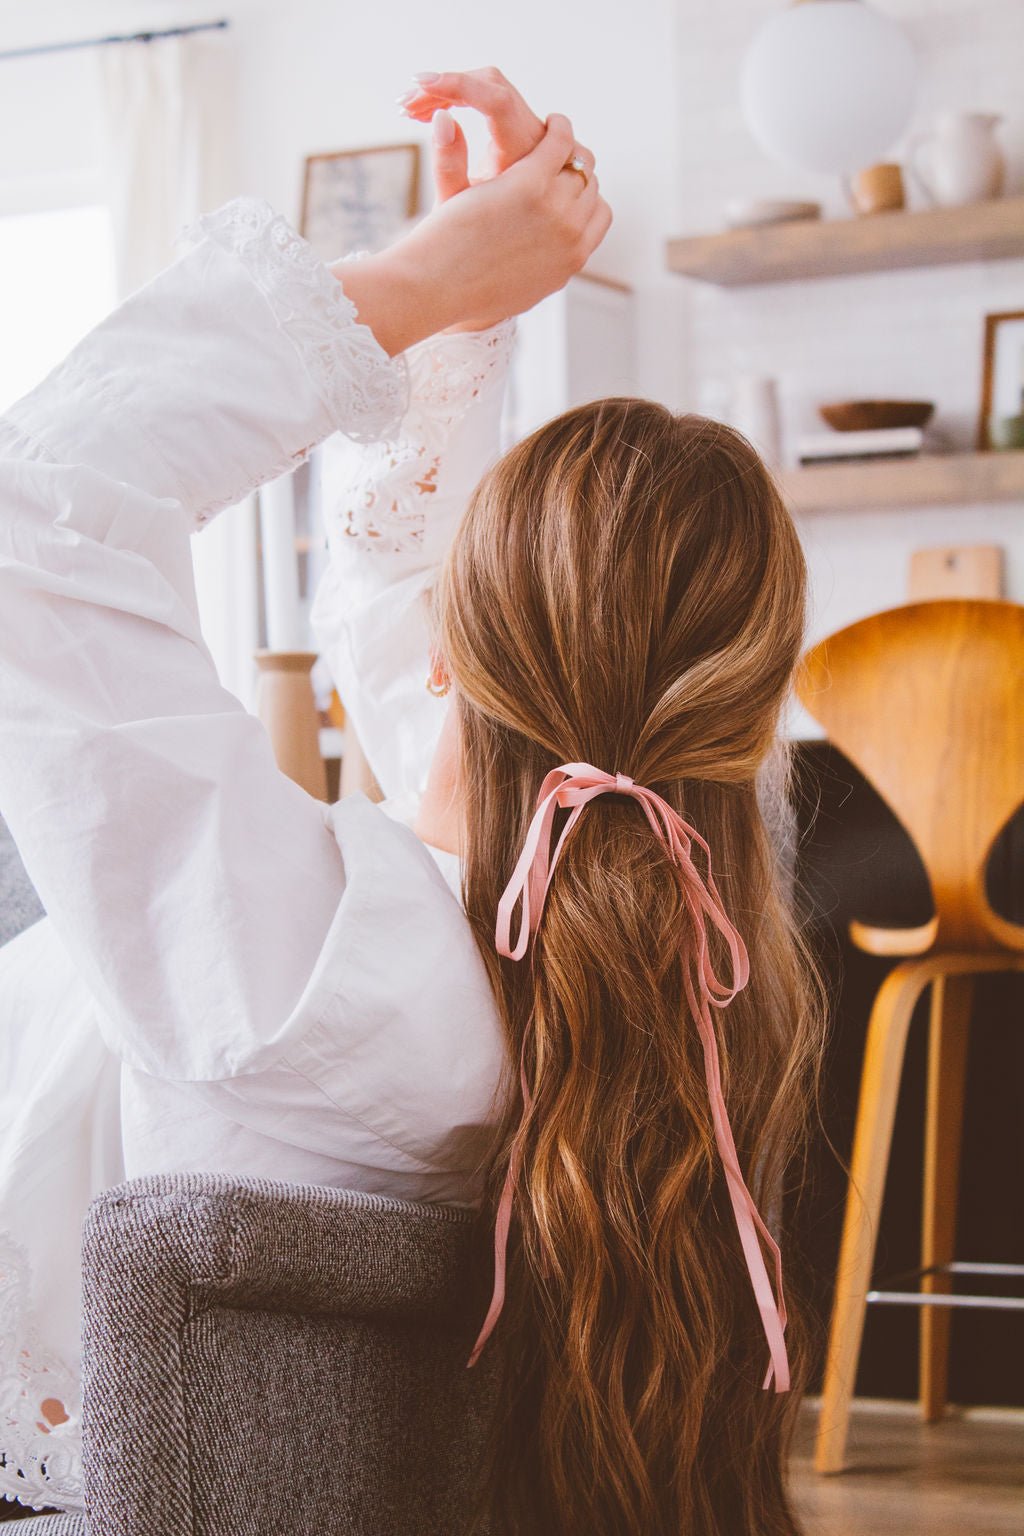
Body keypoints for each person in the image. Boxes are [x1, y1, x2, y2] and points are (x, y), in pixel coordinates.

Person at [0, 68, 818, 1536]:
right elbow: (405, 638)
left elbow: (32, 511)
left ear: (463, 656)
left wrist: (411, 281)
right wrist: (458, 333)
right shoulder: (616, 979)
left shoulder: (321, 960)